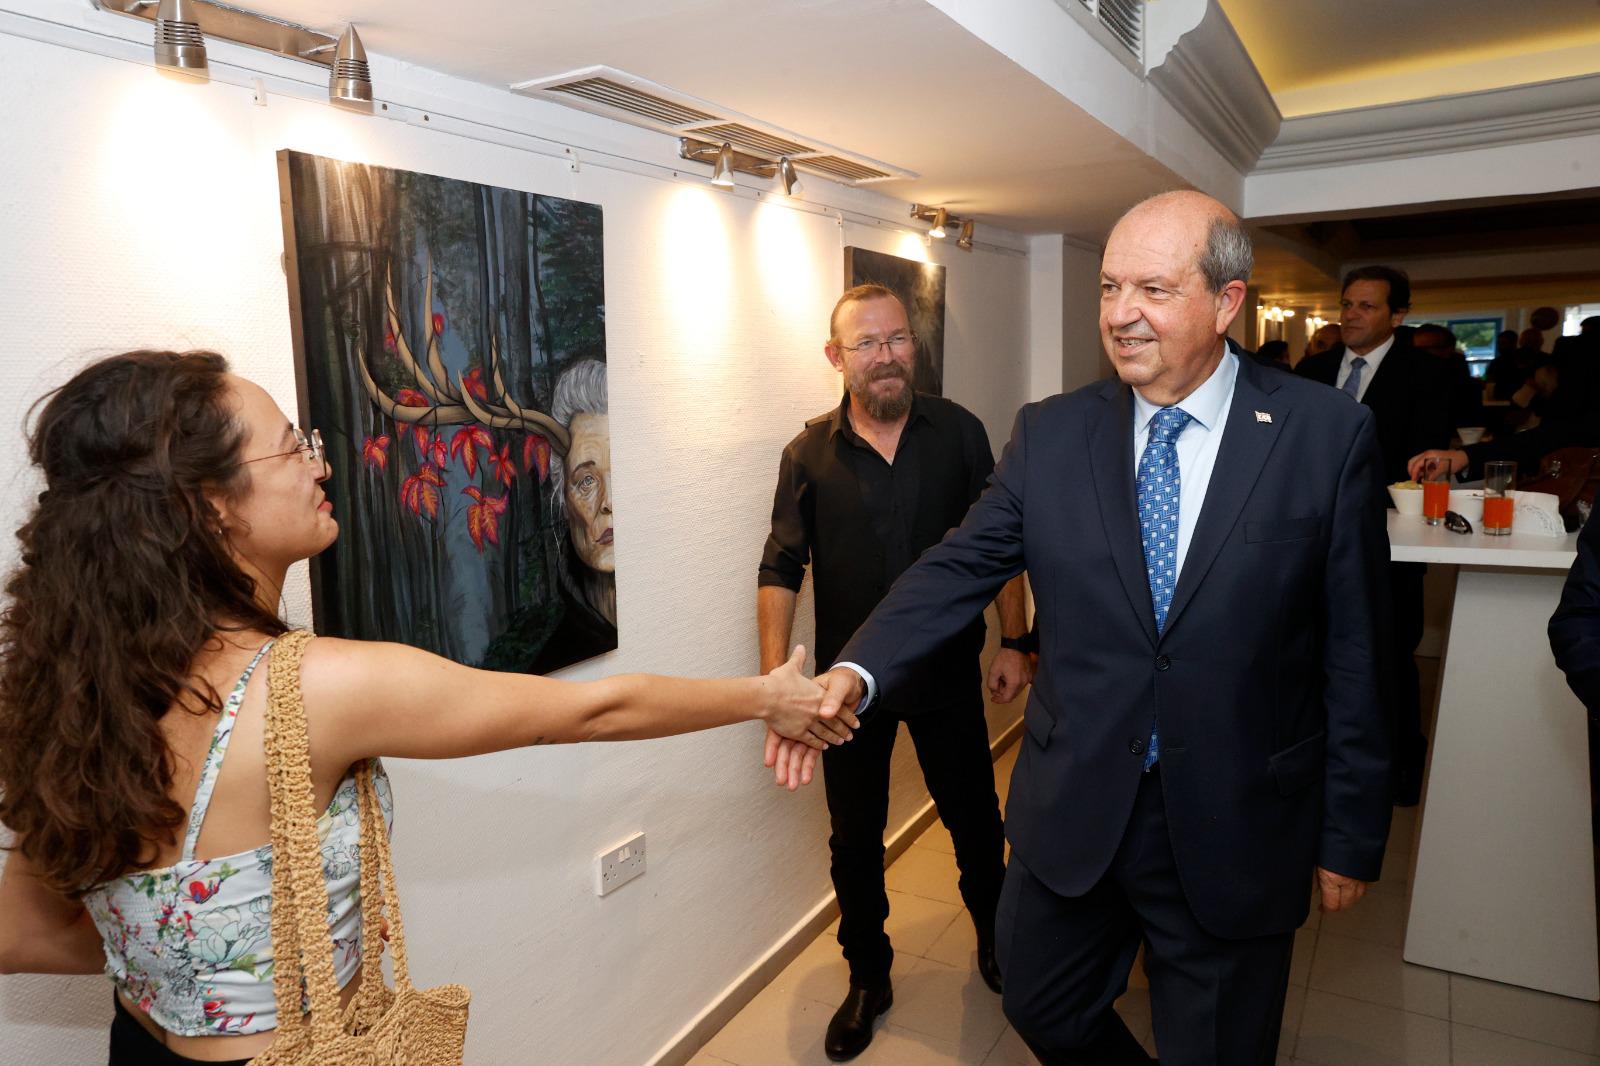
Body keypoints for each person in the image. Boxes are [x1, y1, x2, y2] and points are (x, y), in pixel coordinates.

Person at [0, 350, 850, 1065]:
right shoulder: (314, 687)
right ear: (210, 503)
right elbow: (591, 712)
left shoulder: (70, 689)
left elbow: (22, 932)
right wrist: (766, 695)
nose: (320, 466)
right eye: (293, 447)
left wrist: (185, 959)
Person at [773, 191, 1392, 1065]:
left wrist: (1351, 831)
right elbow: (957, 565)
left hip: (1235, 815)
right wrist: (857, 669)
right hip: (1079, 804)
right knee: (1041, 1002)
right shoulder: (1052, 433)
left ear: (1226, 301)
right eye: (1109, 287)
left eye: (1153, 289)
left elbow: (1357, 651)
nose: (1120, 313)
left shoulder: (1324, 435)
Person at [758, 283, 1027, 1061]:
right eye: (867, 343)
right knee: (854, 842)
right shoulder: (807, 455)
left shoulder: (960, 433)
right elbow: (780, 568)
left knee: (975, 820)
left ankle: (997, 939)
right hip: (846, 695)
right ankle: (868, 979)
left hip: (947, 675)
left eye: (898, 339)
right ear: (836, 356)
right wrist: (776, 686)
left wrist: (1017, 640)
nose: (886, 356)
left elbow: (1000, 546)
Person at [1295, 266, 1449, 806]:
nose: (1351, 315)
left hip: (1387, 536)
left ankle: (1400, 764)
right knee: (1308, 651)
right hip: (1309, 536)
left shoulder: (1426, 373)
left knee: (1388, 653)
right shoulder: (1312, 370)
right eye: (1347, 304)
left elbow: (1426, 451)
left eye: (1366, 306)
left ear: (1397, 316)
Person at [528, 358, 616, 672]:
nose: (609, 502)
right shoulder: (552, 664)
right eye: (587, 481)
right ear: (563, 497)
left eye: (621, 472)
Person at [1410, 323, 1485, 432]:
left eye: (1426, 349)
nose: (1419, 355)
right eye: (1415, 350)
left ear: (1448, 350)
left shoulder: (1462, 385)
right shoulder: (1409, 380)